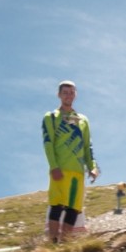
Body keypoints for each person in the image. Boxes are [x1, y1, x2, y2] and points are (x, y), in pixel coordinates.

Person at [41, 80, 99, 243]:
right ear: (59, 95)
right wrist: (54, 166)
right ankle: (53, 243)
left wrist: (92, 167)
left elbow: (88, 145)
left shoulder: (82, 119)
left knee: (74, 208)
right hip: (60, 169)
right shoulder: (51, 117)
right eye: (65, 92)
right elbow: (48, 143)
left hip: (78, 171)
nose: (68, 95)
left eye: (72, 92)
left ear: (75, 95)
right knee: (57, 205)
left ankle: (64, 244)